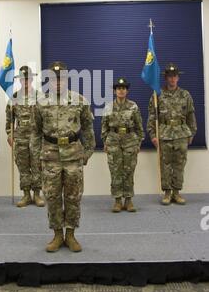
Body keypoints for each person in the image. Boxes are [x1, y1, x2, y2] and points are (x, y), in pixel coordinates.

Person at [31, 61, 95, 252]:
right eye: (54, 79)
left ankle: (71, 234)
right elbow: (35, 131)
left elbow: (88, 128)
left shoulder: (80, 101)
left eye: (61, 79)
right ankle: (57, 235)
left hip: (73, 155)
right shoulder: (41, 103)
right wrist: (36, 156)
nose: (57, 82)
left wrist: (88, 151)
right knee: (52, 196)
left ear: (67, 80)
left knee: (73, 196)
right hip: (50, 156)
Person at [147, 63, 197, 205]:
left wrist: (192, 133)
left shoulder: (185, 95)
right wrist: (152, 135)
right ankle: (167, 193)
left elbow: (190, 115)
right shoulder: (158, 95)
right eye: (169, 76)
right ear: (166, 78)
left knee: (179, 164)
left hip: (181, 133)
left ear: (178, 78)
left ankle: (177, 192)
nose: (172, 79)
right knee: (165, 164)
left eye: (174, 76)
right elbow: (152, 116)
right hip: (164, 133)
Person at [101, 77, 144, 213]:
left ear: (127, 91)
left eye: (123, 88)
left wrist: (138, 142)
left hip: (130, 141)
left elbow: (139, 126)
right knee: (115, 171)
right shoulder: (108, 107)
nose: (121, 90)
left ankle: (129, 200)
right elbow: (104, 127)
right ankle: (118, 200)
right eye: (118, 88)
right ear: (115, 91)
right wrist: (105, 142)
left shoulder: (133, 106)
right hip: (113, 141)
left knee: (129, 171)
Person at [6, 66, 44, 208]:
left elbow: (45, 119)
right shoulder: (13, 98)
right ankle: (26, 195)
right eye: (23, 78)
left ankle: (37, 194)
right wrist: (10, 134)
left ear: (32, 79)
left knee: (37, 165)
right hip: (20, 137)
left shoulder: (40, 97)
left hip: (36, 137)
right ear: (20, 80)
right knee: (23, 166)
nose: (25, 81)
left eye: (27, 78)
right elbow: (9, 120)